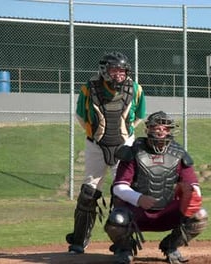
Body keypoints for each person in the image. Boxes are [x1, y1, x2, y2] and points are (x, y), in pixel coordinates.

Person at [66, 51, 147, 254]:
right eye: (114, 70)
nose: (119, 74)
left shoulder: (135, 88)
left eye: (122, 70)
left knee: (123, 189)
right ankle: (80, 240)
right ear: (104, 71)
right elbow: (81, 115)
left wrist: (123, 134)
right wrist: (97, 135)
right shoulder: (89, 88)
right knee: (89, 192)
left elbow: (139, 116)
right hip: (96, 144)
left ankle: (122, 240)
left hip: (124, 144)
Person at [104, 110, 208, 264]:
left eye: (165, 129)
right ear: (148, 129)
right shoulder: (133, 152)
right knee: (117, 219)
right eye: (157, 128)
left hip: (166, 212)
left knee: (199, 215)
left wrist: (191, 194)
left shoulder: (178, 154)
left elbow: (193, 183)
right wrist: (138, 199)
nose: (161, 132)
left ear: (170, 131)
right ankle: (125, 248)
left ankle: (171, 246)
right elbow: (119, 187)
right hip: (137, 213)